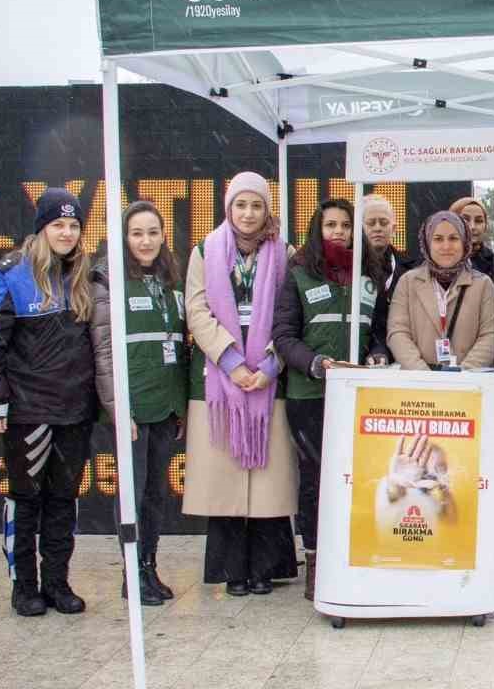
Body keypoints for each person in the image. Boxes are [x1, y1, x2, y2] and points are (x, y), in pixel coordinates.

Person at [0, 187, 112, 617]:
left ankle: (57, 583)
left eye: (73, 225)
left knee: (64, 500)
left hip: (75, 410)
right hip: (28, 411)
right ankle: (24, 587)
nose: (67, 233)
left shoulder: (87, 276)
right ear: (41, 228)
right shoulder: (10, 273)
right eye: (58, 225)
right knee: (26, 500)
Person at [183, 173, 299, 596]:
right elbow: (197, 310)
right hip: (220, 382)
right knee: (226, 479)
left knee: (268, 481)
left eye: (256, 205)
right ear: (228, 208)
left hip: (270, 378)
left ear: (267, 210)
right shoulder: (205, 251)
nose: (248, 214)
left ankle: (266, 567)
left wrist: (271, 364)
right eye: (240, 205)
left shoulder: (285, 253)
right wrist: (230, 361)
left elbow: (291, 313)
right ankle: (232, 569)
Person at [272, 198, 370, 600]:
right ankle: (315, 561)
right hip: (310, 394)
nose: (339, 232)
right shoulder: (298, 274)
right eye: (331, 225)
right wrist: (313, 363)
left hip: (358, 396)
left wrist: (377, 353)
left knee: (357, 479)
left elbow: (378, 330)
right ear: (318, 229)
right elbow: (283, 335)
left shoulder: (367, 275)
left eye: (345, 225)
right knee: (315, 480)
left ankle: (351, 557)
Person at [107, 201, 188, 606]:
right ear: (124, 238)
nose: (146, 241)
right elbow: (104, 352)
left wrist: (182, 406)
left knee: (156, 493)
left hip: (166, 404)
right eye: (137, 233)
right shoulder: (111, 281)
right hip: (134, 407)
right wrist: (119, 408)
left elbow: (181, 346)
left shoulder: (172, 281)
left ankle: (148, 566)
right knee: (133, 494)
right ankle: (131, 573)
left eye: (153, 232)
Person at [384, 210, 494, 370]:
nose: (446, 246)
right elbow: (397, 332)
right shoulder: (408, 282)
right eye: (438, 239)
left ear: (465, 242)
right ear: (427, 243)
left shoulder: (483, 284)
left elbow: (491, 335)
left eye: (453, 238)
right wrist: (423, 374)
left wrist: (463, 374)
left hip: (469, 381)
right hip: (418, 380)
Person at [361, 195, 417, 365]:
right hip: (357, 356)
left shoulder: (411, 271)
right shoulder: (348, 270)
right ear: (360, 228)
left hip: (400, 359)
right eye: (371, 223)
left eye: (383, 222)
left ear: (394, 228)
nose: (377, 228)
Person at [448, 195, 494, 279]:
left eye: (479, 221)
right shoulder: (438, 259)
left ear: (486, 226)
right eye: (465, 220)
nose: (472, 227)